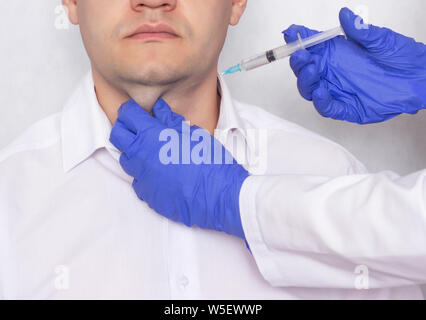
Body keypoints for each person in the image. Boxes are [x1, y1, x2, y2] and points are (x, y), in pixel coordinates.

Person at [1, 0, 419, 299]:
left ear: (237, 3)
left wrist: (235, 200)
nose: (152, 3)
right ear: (70, 3)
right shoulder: (10, 200)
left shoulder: (332, 174)